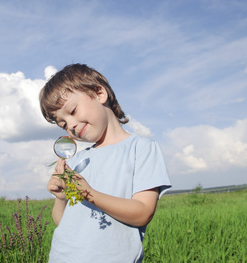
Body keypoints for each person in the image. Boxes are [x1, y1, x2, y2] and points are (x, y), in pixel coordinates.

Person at [39, 63, 171, 263]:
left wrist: (88, 194)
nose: (71, 126)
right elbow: (63, 222)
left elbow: (143, 213)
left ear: (100, 93)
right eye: (63, 124)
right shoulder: (77, 161)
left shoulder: (141, 149)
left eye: (72, 111)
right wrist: (60, 198)